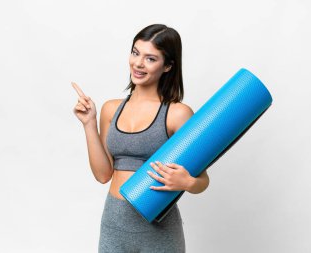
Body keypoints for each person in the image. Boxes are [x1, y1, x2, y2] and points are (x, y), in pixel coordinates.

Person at [72, 24, 209, 253]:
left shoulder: (177, 114)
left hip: (158, 226)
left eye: (150, 58)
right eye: (135, 53)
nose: (138, 63)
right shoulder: (110, 109)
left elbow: (202, 180)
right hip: (114, 223)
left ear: (167, 66)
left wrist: (186, 182)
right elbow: (103, 174)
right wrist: (88, 124)